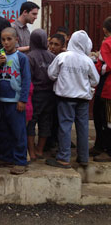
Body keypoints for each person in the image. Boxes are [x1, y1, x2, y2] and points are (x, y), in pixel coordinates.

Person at [46, 31, 99, 168]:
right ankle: (83, 157)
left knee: (65, 126)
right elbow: (95, 80)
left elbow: (51, 75)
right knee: (83, 128)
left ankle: (63, 158)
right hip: (83, 99)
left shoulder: (63, 57)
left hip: (65, 98)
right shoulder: (87, 60)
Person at [0, 27, 31, 175]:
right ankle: (7, 157)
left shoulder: (22, 58)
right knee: (4, 131)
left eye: (9, 39)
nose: (6, 42)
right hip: (1, 100)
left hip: (15, 101)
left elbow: (26, 80)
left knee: (19, 132)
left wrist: (23, 99)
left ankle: (20, 161)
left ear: (17, 40)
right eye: (3, 39)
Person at [26, 29, 56, 161]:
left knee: (31, 122)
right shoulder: (52, 57)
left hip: (35, 95)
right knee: (45, 121)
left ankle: (31, 152)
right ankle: (40, 149)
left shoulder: (30, 56)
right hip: (50, 95)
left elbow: (28, 78)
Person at [92, 17, 111, 162]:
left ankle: (107, 150)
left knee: (104, 119)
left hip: (107, 87)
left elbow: (106, 66)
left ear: (105, 29)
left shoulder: (107, 43)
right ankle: (99, 145)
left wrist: (96, 68)